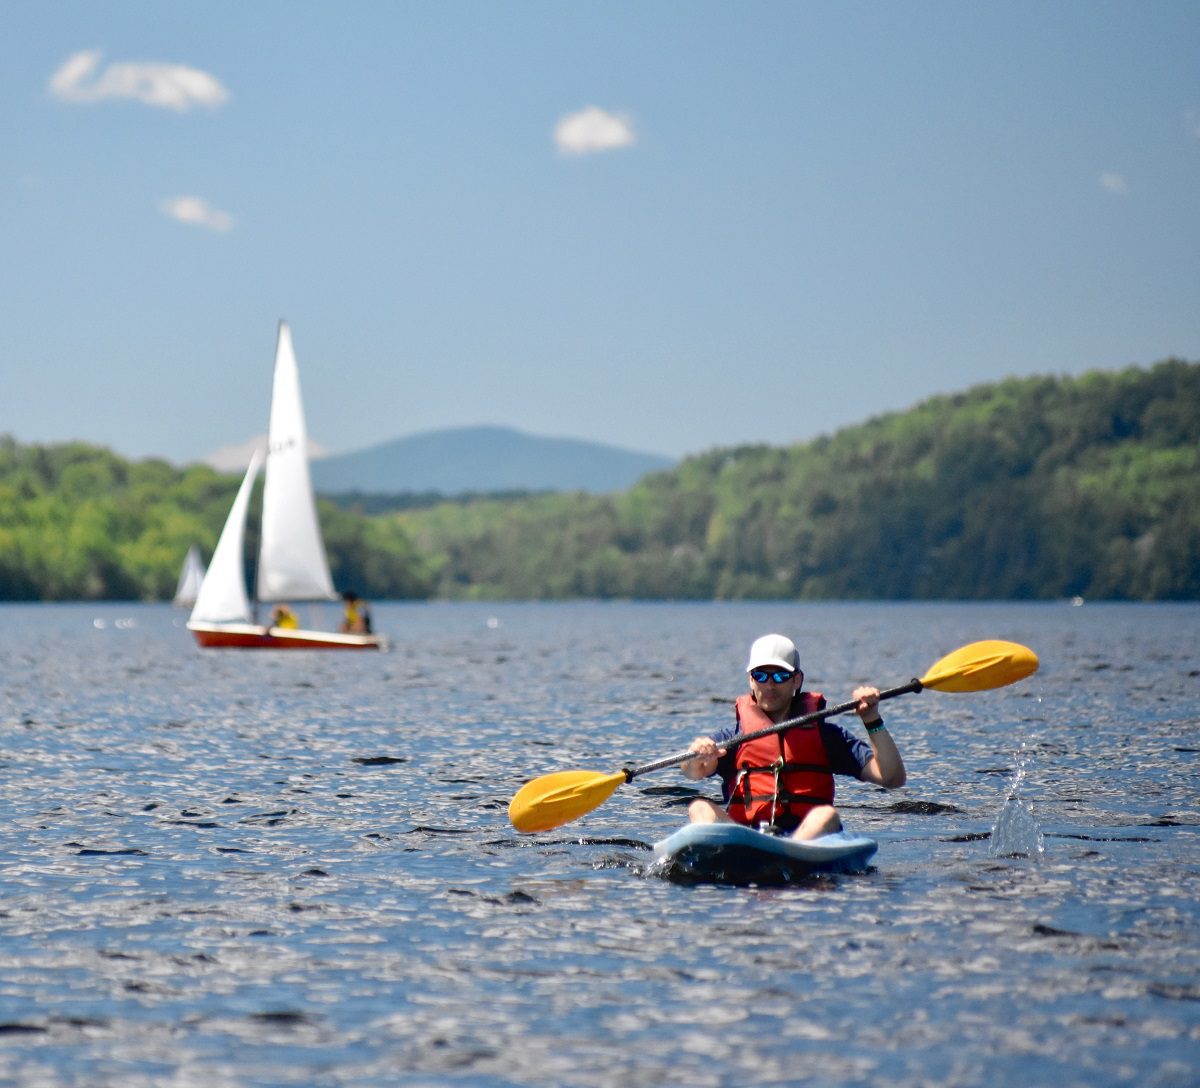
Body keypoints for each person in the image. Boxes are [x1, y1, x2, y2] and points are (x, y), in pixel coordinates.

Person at [681, 633, 906, 841]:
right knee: (699, 807)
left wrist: (871, 719)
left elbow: (891, 778)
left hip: (806, 840)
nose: (769, 685)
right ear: (751, 680)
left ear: (796, 680)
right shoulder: (733, 738)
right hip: (746, 840)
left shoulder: (827, 736)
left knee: (826, 815)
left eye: (780, 676)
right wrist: (697, 755)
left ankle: (788, 851)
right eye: (761, 675)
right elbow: (692, 771)